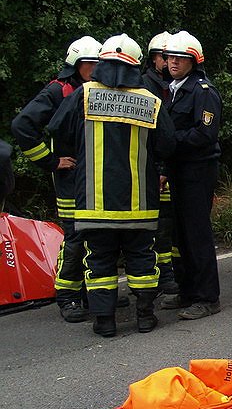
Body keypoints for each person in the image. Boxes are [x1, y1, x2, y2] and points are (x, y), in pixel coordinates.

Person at [46, 34, 176, 337]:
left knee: (100, 260)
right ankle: (144, 316)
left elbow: (57, 128)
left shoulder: (83, 95)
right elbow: (168, 145)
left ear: (102, 63)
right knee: (142, 256)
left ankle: (104, 321)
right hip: (139, 203)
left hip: (94, 203)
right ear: (135, 65)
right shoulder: (150, 100)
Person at [11, 36, 102, 323]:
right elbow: (22, 125)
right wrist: (51, 162)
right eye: (92, 64)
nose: (97, 69)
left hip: (93, 175)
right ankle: (67, 296)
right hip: (70, 177)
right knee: (75, 237)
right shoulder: (57, 91)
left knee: (96, 234)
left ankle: (90, 293)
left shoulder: (95, 90)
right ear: (77, 65)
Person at [159, 31, 222, 319]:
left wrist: (173, 142)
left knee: (197, 233)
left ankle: (208, 298)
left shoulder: (203, 91)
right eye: (169, 56)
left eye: (179, 58)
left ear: (193, 61)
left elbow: (205, 133)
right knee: (180, 234)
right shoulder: (170, 89)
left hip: (198, 169)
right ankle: (187, 291)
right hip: (177, 169)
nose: (173, 62)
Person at [141, 31, 178, 295]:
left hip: (175, 165)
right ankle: (162, 276)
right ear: (154, 58)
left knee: (173, 223)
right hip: (154, 167)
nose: (169, 61)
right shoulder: (146, 87)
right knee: (160, 225)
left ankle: (173, 270)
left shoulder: (180, 86)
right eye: (164, 56)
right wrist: (161, 168)